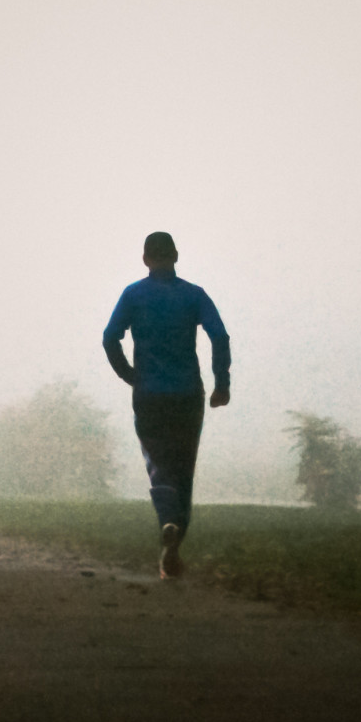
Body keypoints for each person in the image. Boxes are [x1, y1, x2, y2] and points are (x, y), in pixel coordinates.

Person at [102, 231, 231, 579]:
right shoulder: (194, 295)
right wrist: (222, 384)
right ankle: (173, 544)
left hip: (149, 395)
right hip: (188, 395)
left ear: (145, 259)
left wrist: (128, 374)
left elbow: (109, 336)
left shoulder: (133, 295)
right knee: (183, 469)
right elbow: (219, 335)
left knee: (158, 465)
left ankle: (168, 523)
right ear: (176, 255)